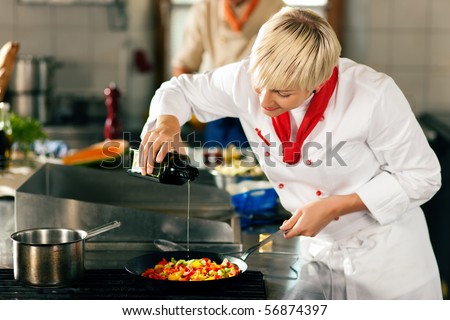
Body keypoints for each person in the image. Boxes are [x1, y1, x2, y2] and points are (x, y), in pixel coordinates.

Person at [139, 7, 442, 299]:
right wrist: (167, 123)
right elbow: (178, 90)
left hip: (386, 259)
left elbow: (423, 176)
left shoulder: (372, 94)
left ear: (318, 81)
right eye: (259, 86)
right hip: (317, 253)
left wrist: (335, 207)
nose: (264, 102)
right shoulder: (246, 78)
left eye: (283, 93)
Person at [172, 0, 285, 148]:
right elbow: (184, 65)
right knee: (217, 165)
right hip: (217, 109)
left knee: (259, 166)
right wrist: (183, 113)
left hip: (259, 110)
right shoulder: (203, 10)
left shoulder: (277, 10)